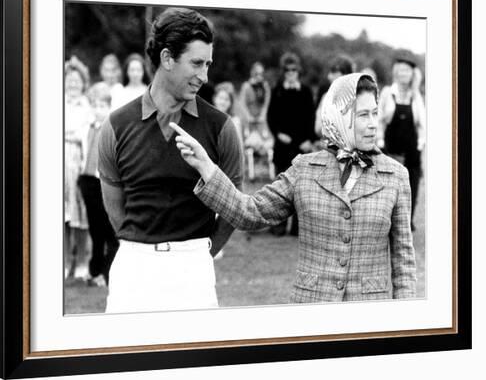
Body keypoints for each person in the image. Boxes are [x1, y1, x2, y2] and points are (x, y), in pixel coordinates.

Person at [172, 72, 417, 303]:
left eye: (375, 113)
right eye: (363, 115)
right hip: (312, 311)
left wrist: (404, 321)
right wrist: (206, 167)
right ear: (340, 116)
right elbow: (250, 213)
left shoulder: (396, 176)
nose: (373, 123)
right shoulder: (304, 169)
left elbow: (404, 263)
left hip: (370, 317)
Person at [98, 7, 243, 312]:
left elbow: (233, 206)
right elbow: (115, 210)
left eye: (208, 64)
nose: (205, 76)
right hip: (132, 271)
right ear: (167, 59)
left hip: (194, 272)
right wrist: (142, 246)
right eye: (196, 64)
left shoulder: (221, 128)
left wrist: (199, 254)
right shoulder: (115, 127)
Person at [267, 52, 316, 235]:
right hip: (282, 145)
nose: (290, 73)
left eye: (294, 70)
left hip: (301, 146)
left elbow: (311, 116)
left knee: (300, 189)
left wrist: (309, 140)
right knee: (280, 187)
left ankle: (297, 228)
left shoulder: (305, 91)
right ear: (283, 71)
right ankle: (278, 227)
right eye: (287, 70)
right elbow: (271, 116)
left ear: (299, 71)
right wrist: (278, 134)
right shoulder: (277, 90)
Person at [377, 54, 425, 230]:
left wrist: (420, 143)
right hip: (390, 148)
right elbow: (379, 119)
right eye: (401, 70)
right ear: (396, 72)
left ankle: (406, 222)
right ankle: (387, 223)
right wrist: (380, 140)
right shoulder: (387, 93)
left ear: (412, 74)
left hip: (412, 149)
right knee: (389, 188)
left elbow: (422, 124)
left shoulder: (416, 95)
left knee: (411, 187)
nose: (404, 74)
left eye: (407, 70)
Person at [77, 87, 119, 287]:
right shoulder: (87, 127)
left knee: (108, 228)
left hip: (104, 182)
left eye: (102, 106)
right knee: (94, 229)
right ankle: (94, 271)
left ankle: (107, 272)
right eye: (94, 105)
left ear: (109, 107)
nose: (98, 109)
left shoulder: (112, 129)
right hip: (88, 181)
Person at [64, 56, 92, 279]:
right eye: (69, 80)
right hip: (59, 161)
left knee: (80, 212)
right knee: (61, 213)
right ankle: (64, 262)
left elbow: (87, 134)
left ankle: (82, 261)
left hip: (80, 162)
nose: (72, 84)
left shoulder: (87, 107)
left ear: (83, 83)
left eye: (76, 80)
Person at [238, 62, 274, 181]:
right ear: (252, 73)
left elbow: (266, 102)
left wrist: (263, 115)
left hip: (261, 121)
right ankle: (249, 170)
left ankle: (265, 168)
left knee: (267, 141)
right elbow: (242, 103)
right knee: (249, 142)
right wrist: (248, 116)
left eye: (261, 73)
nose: (259, 75)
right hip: (249, 121)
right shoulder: (246, 86)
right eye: (257, 73)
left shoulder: (265, 86)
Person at [314, 54, 355, 138]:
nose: (329, 76)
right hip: (329, 148)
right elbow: (318, 128)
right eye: (330, 72)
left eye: (334, 72)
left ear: (346, 74)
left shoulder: (358, 97)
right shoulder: (325, 97)